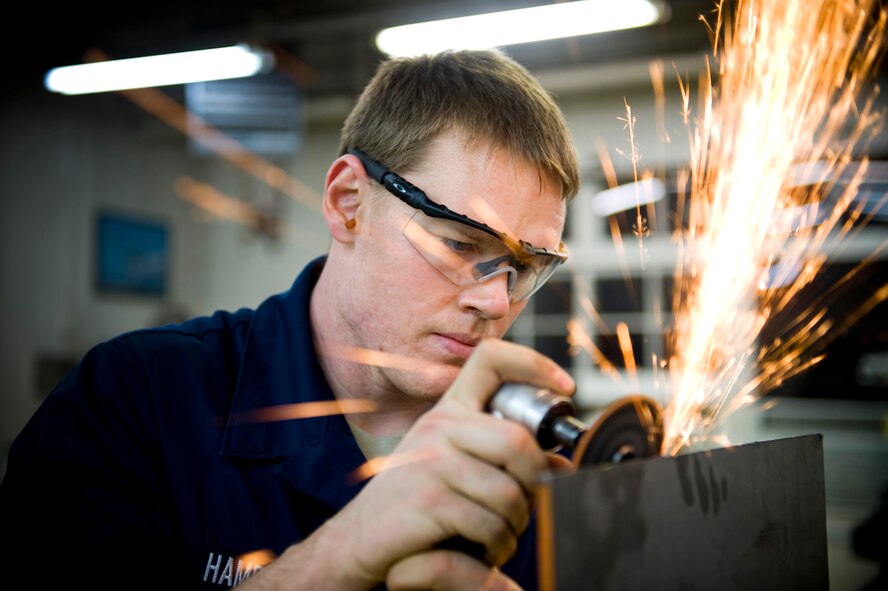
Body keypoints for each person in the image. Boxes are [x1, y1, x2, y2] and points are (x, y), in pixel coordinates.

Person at [0, 48, 580, 589]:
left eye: (526, 268)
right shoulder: (138, 398)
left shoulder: (535, 463)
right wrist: (346, 550)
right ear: (348, 202)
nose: (497, 303)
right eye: (458, 244)